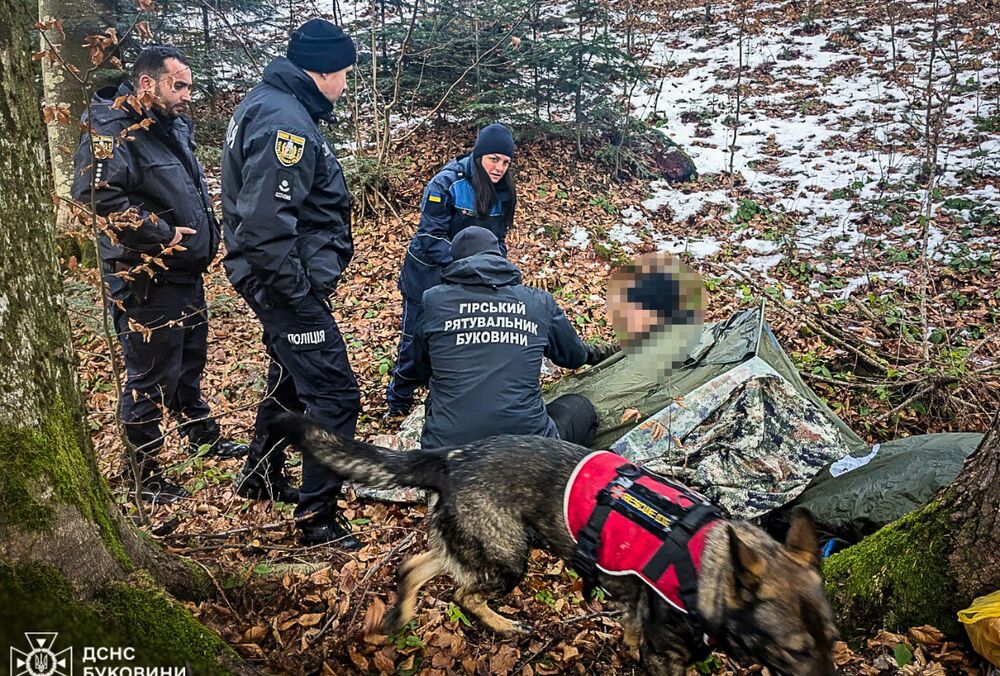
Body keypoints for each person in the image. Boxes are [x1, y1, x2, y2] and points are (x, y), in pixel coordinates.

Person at [71, 45, 247, 505]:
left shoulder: (171, 125)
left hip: (184, 272)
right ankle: (143, 473)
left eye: (188, 85)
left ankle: (201, 437)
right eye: (178, 85)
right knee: (148, 376)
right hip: (144, 279)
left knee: (189, 362)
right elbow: (97, 198)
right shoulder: (110, 128)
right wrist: (161, 233)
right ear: (147, 83)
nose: (187, 95)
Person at [220, 18, 361, 549]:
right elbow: (264, 226)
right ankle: (317, 519)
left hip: (279, 280)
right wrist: (298, 296)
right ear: (321, 69)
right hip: (283, 285)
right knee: (334, 393)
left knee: (290, 375)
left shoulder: (270, 103)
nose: (344, 85)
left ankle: (259, 473)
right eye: (343, 74)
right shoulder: (285, 122)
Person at [412, 226, 616, 449]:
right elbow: (573, 357)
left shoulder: (432, 301)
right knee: (581, 407)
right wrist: (599, 353)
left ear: (456, 262)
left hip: (446, 452)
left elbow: (419, 367)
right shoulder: (537, 302)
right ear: (499, 255)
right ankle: (566, 474)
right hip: (526, 450)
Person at [385, 123, 518, 418]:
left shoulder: (504, 191)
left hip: (471, 277)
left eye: (505, 162)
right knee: (414, 340)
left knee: (457, 341)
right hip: (428, 275)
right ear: (479, 155)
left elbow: (498, 241)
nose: (498, 168)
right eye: (493, 159)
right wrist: (467, 268)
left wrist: (502, 272)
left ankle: (445, 398)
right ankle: (398, 401)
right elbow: (430, 238)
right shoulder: (446, 183)